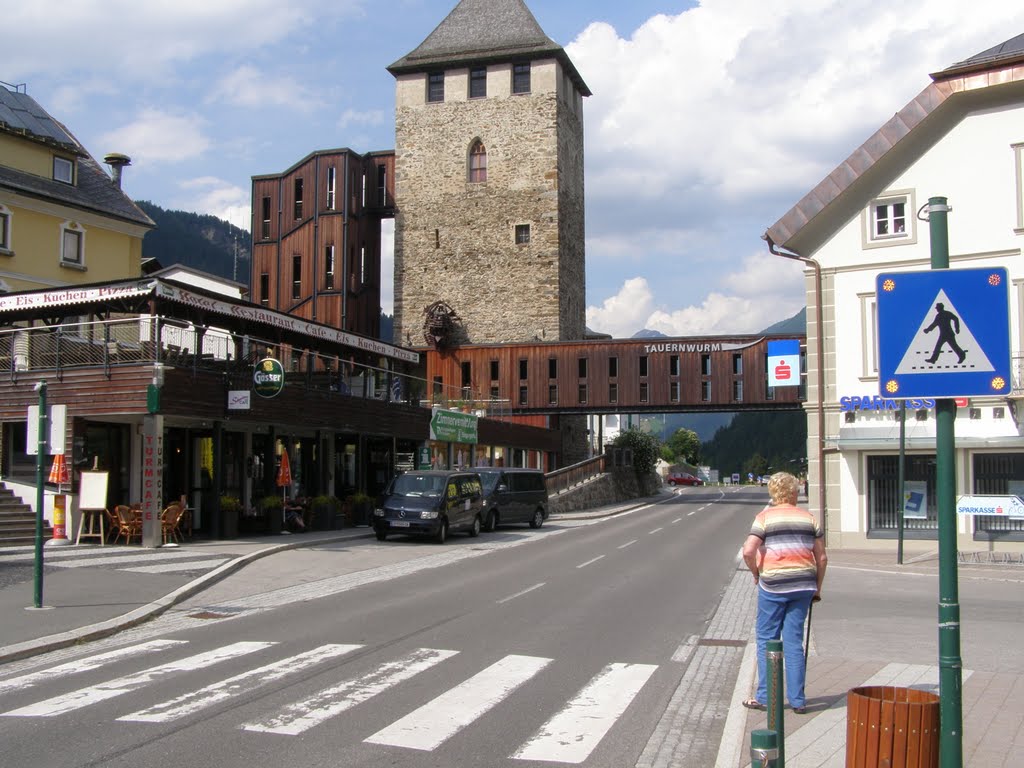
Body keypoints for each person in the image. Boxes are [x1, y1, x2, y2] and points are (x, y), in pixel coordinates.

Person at [741, 471, 827, 714]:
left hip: (774, 584)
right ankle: (798, 701)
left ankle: (766, 697)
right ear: (794, 493)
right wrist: (817, 588)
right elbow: (822, 557)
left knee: (768, 639)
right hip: (803, 585)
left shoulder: (764, 518)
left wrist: (756, 573)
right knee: (794, 642)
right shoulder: (809, 519)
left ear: (773, 492)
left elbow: (749, 551)